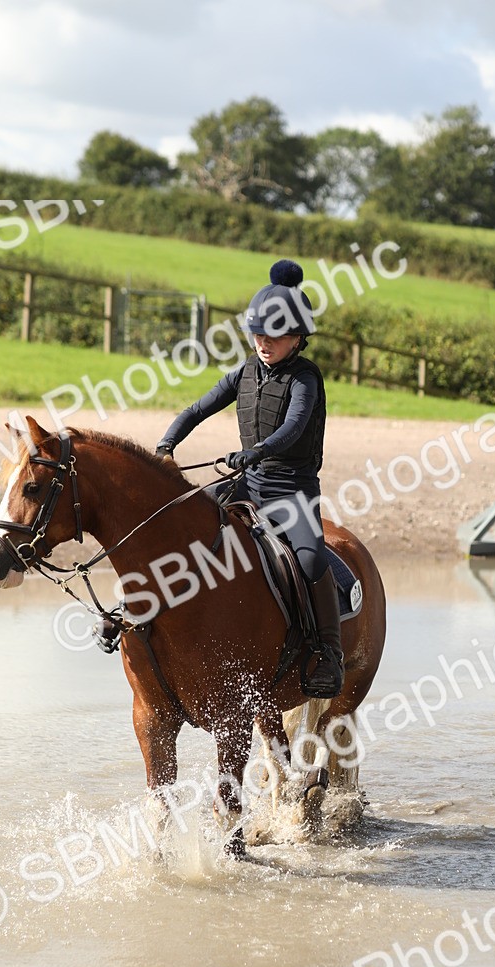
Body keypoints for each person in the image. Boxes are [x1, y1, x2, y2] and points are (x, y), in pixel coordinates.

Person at [155, 259, 343, 698]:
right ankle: (142, 612)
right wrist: (166, 445)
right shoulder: (244, 372)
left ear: (297, 338)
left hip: (292, 491)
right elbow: (198, 409)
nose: (263, 343)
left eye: (273, 336)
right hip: (247, 483)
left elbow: (293, 427)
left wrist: (255, 452)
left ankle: (327, 653)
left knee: (313, 559)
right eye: (258, 334)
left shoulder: (305, 378)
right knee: (180, 522)